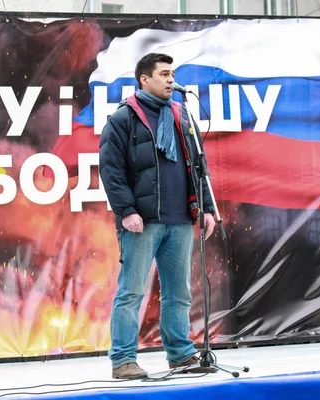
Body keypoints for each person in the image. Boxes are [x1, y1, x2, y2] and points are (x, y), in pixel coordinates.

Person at [99, 53, 216, 379]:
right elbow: (111, 170)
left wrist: (205, 208)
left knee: (179, 293)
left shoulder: (182, 116)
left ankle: (180, 355)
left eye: (172, 74)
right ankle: (122, 360)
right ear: (144, 80)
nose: (171, 80)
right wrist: (126, 211)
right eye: (164, 74)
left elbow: (198, 167)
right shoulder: (124, 118)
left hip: (180, 220)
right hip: (143, 222)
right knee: (131, 292)